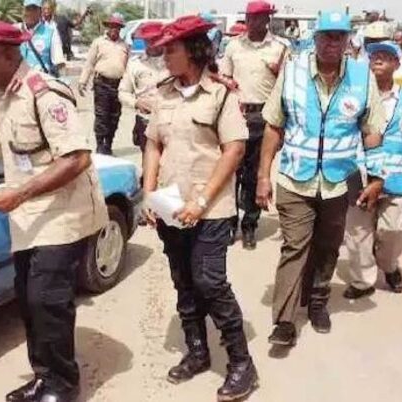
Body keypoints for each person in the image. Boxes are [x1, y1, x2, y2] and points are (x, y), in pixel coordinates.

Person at [0, 19, 108, 402]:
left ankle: (64, 385)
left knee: (48, 300)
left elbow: (78, 158)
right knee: (29, 300)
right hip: (29, 217)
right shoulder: (0, 98)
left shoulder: (44, 94)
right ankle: (43, 377)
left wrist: (19, 194)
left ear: (11, 55)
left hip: (63, 216)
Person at [142, 15, 258, 401]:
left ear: (193, 51)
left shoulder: (221, 95)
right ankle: (197, 352)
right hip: (171, 206)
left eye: (170, 51)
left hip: (211, 209)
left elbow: (235, 150)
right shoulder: (163, 94)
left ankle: (242, 363)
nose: (163, 58)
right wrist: (148, 193)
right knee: (184, 281)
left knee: (210, 282)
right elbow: (153, 144)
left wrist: (202, 200)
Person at [257, 11, 385, 346]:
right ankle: (284, 321)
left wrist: (376, 177)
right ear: (315, 39)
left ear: (347, 41)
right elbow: (273, 125)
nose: (332, 42)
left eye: (339, 36)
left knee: (328, 247)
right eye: (326, 36)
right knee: (294, 246)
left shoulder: (362, 77)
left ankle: (317, 301)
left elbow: (372, 132)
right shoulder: (294, 72)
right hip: (294, 180)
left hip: (338, 182)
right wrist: (262, 176)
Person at [343, 41, 402, 299]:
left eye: (386, 56)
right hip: (360, 175)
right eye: (374, 56)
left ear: (397, 65)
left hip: (397, 178)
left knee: (391, 233)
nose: (378, 59)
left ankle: (388, 266)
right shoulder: (356, 96)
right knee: (358, 233)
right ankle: (362, 281)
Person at [221, 0, 287, 250]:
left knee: (255, 175)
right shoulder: (234, 46)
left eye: (259, 18)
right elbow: (224, 77)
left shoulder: (280, 48)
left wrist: (283, 127)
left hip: (265, 118)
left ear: (267, 20)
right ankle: (228, 223)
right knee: (230, 172)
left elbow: (285, 88)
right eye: (250, 17)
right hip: (236, 115)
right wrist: (229, 86)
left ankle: (249, 225)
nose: (253, 22)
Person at [78, 13, 129, 155]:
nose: (115, 30)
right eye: (113, 26)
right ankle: (100, 145)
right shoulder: (98, 42)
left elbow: (128, 67)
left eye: (118, 27)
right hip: (102, 83)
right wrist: (83, 81)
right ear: (108, 27)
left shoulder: (125, 46)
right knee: (102, 116)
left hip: (118, 85)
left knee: (115, 116)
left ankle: (109, 144)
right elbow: (89, 63)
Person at [118, 22, 166, 154]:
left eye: (156, 39)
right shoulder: (135, 64)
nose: (152, 44)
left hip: (171, 121)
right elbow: (123, 92)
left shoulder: (173, 61)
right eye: (148, 40)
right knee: (149, 161)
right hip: (146, 121)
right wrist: (136, 103)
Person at [19, 0, 65, 77]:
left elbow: (59, 62)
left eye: (34, 9)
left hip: (41, 83)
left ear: (40, 12)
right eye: (28, 9)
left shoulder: (51, 32)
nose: (30, 13)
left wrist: (48, 74)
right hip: (17, 82)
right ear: (23, 11)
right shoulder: (15, 30)